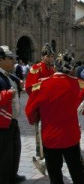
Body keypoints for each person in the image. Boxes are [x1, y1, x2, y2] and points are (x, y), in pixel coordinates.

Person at [25, 52, 84, 184]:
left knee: (54, 174)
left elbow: (30, 112)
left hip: (50, 137)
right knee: (77, 171)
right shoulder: (77, 84)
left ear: (55, 67)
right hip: (71, 136)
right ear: (71, 68)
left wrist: (37, 118)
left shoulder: (41, 85)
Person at [0, 46, 26, 184]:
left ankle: (12, 174)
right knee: (5, 153)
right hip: (2, 122)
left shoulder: (8, 75)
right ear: (1, 59)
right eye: (10, 59)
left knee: (15, 149)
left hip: (12, 119)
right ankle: (4, 178)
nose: (13, 62)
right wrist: (8, 94)